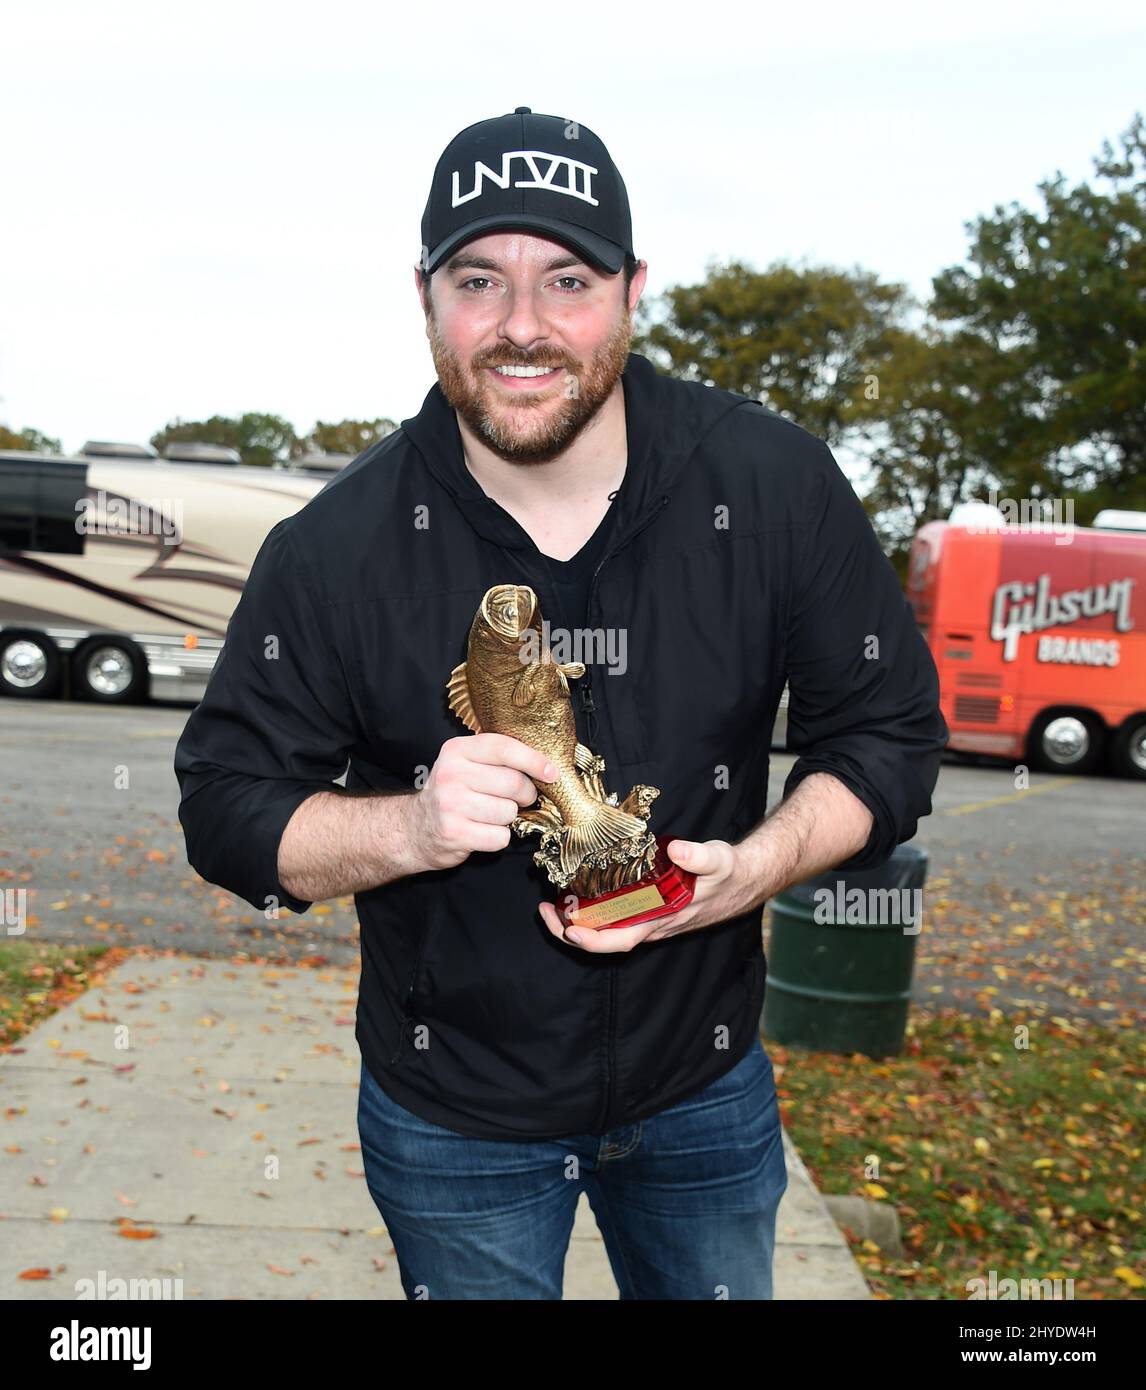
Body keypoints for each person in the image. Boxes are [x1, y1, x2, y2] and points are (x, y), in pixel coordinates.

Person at [174, 106, 948, 1300]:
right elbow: (226, 809)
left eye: (568, 279)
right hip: (455, 1120)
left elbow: (888, 734)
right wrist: (410, 826)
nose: (522, 326)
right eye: (478, 279)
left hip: (707, 1088)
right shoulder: (335, 548)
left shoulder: (771, 484)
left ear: (632, 291)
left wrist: (758, 865)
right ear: (424, 294)